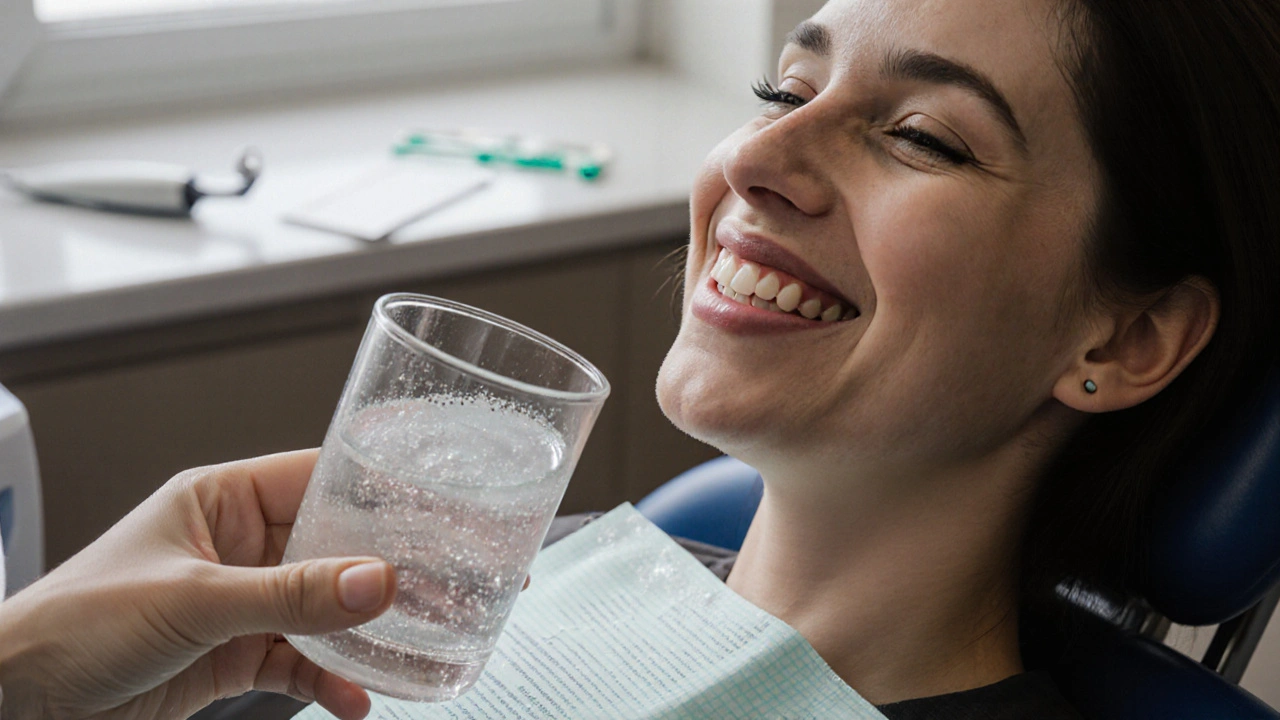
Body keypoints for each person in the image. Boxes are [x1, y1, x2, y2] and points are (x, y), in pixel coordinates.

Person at [3, 0, 1280, 717]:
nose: (753, 163)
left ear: (1124, 337)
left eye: (924, 138)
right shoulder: (526, 581)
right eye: (784, 93)